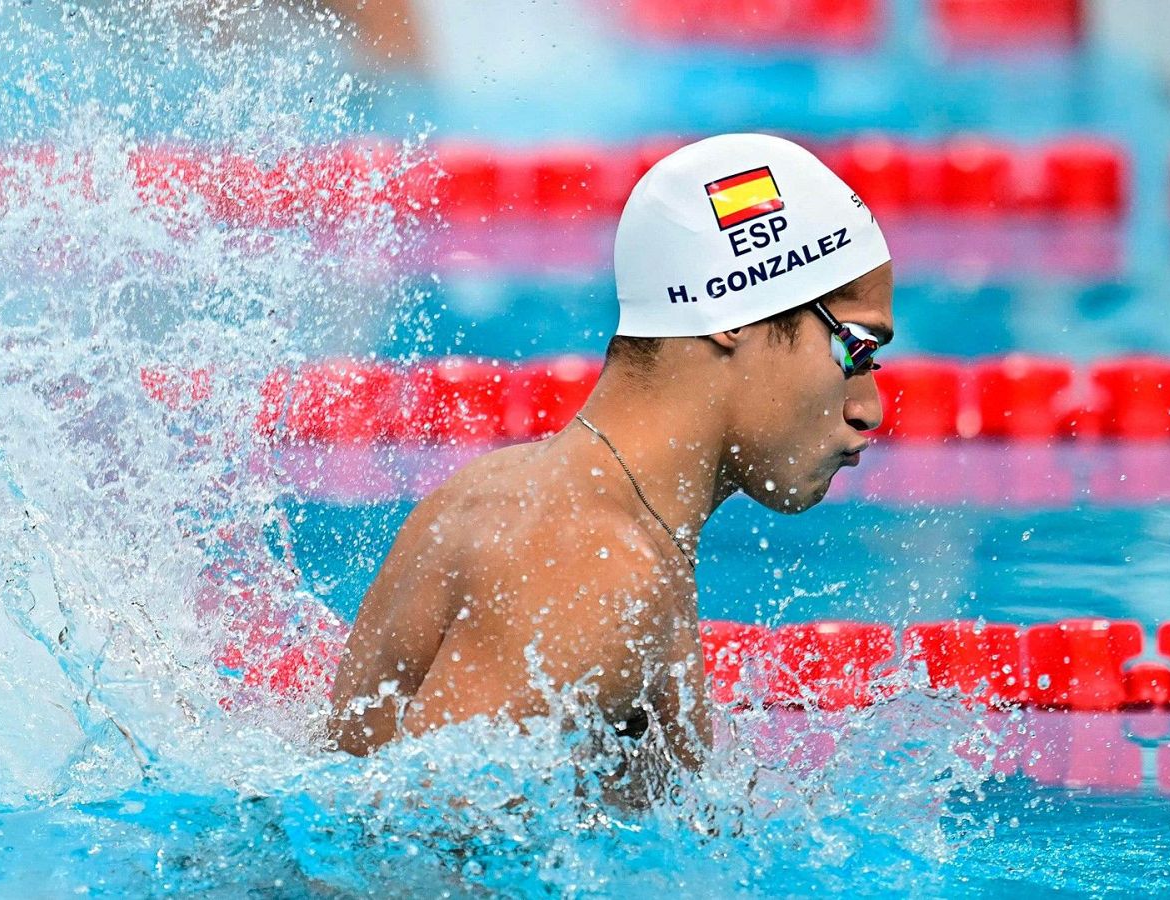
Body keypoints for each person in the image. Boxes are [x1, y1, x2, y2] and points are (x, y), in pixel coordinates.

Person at [327, 134, 894, 769]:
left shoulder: (512, 490)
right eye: (858, 349)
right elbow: (407, 855)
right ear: (734, 315)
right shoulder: (600, 570)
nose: (868, 408)